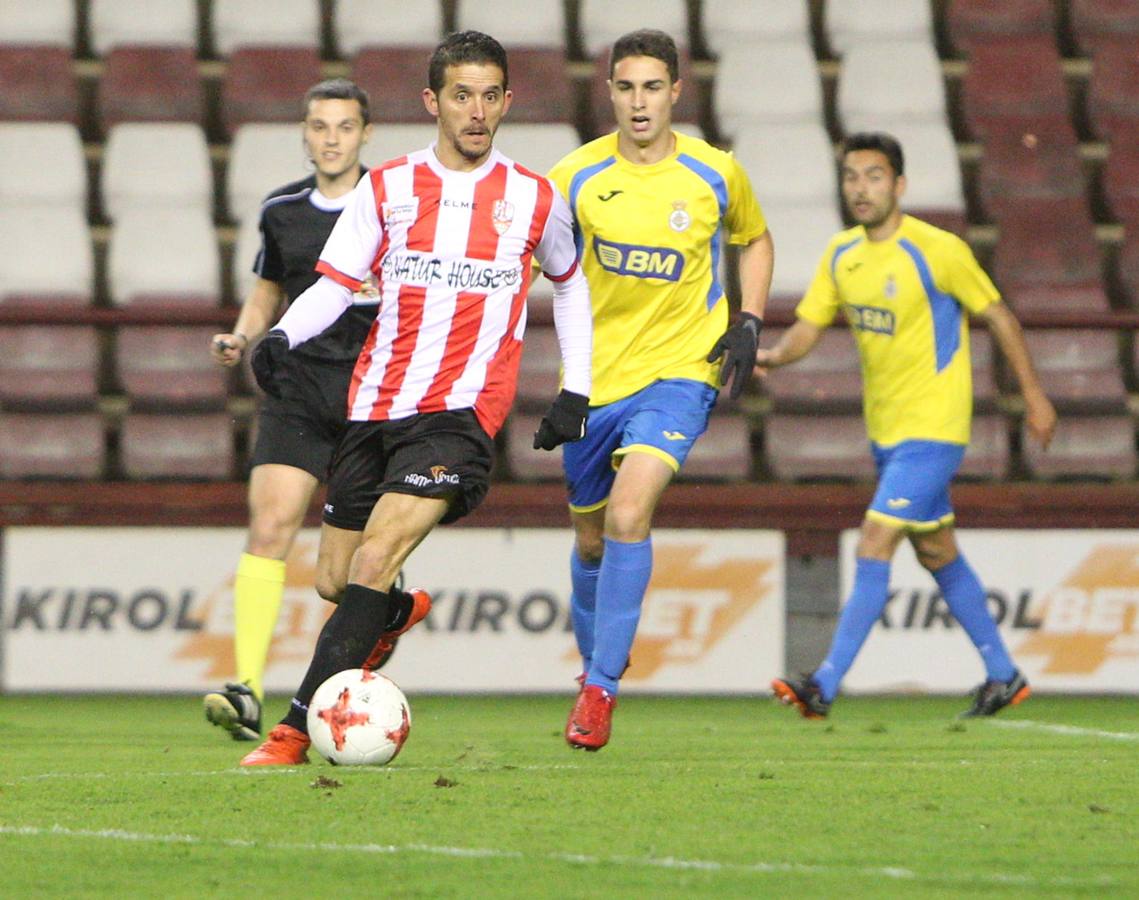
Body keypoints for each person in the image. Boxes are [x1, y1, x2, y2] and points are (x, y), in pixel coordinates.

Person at [238, 30, 593, 766]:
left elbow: (570, 281)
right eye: (461, 94)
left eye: (490, 95)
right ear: (433, 100)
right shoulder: (389, 186)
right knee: (334, 580)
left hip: (459, 417)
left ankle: (293, 731)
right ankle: (393, 615)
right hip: (372, 408)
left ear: (506, 102)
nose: (476, 110)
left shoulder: (533, 197)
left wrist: (575, 387)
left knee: (372, 559)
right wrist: (279, 335)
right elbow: (335, 284)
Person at [763, 132, 1057, 720]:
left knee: (875, 539)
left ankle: (824, 682)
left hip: (936, 427)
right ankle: (1004, 674)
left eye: (873, 176)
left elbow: (998, 315)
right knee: (936, 550)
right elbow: (807, 327)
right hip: (888, 433)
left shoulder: (936, 249)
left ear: (899, 185)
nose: (861, 188)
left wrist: (1033, 395)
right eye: (851, 177)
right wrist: (772, 356)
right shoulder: (842, 255)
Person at [546, 29, 774, 751]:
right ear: (607, 92)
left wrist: (748, 318)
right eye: (625, 87)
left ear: (676, 91)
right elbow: (527, 262)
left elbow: (755, 239)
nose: (638, 102)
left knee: (628, 510)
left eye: (652, 87)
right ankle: (595, 670)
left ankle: (601, 690)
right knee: (589, 539)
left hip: (680, 373)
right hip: (594, 383)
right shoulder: (573, 178)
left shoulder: (713, 173)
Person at [203, 79, 386, 742]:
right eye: (319, 126)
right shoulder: (283, 210)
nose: (331, 138)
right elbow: (268, 290)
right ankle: (247, 688)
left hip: (374, 397)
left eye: (343, 126)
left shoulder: (392, 202)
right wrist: (243, 334)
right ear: (305, 134)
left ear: (365, 134)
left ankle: (384, 622)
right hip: (299, 390)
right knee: (270, 527)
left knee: (345, 576)